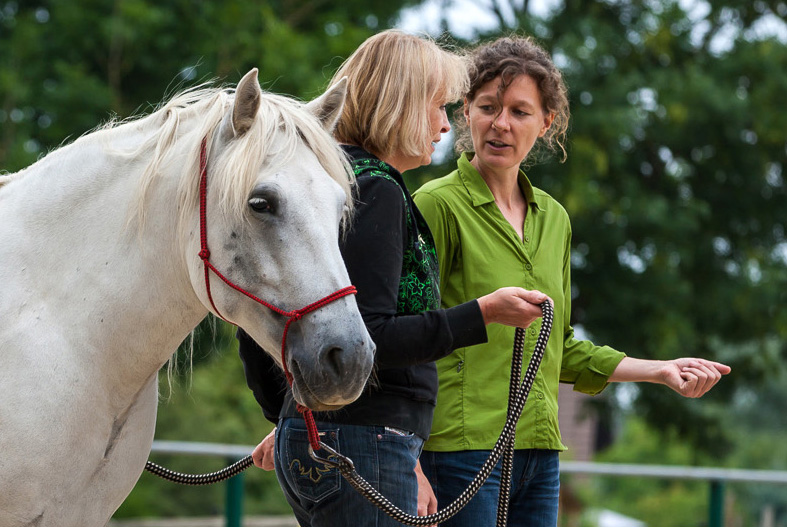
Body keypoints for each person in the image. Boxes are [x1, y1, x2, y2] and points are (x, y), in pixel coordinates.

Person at [412, 35, 731, 527]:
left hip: (540, 452)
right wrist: (408, 461)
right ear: (465, 112)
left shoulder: (554, 219)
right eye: (487, 106)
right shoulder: (437, 204)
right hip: (458, 451)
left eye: (520, 111)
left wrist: (660, 371)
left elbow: (557, 347)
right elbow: (403, 337)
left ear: (546, 123)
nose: (500, 123)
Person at [236, 30, 549, 527]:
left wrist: (291, 416)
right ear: (401, 105)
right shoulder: (376, 190)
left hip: (343, 439)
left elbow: (256, 317)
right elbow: (374, 335)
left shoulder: (331, 184)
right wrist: (483, 314)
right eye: (437, 107)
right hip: (369, 440)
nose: (445, 126)